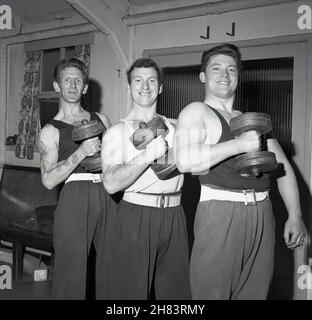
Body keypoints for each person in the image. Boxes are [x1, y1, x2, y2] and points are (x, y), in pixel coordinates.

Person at [174, 43, 308, 300]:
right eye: (216, 68)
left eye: (231, 69)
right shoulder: (197, 112)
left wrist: (295, 214)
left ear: (238, 76)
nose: (224, 74)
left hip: (263, 213)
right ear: (203, 76)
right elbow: (184, 160)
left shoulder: (251, 121)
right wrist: (238, 144)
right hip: (221, 213)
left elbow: (283, 169)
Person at [100, 58, 191, 300]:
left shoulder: (178, 127)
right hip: (136, 215)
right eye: (138, 81)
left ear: (160, 87)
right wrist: (147, 155)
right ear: (129, 87)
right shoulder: (116, 132)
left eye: (152, 80)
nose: (145, 86)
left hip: (175, 215)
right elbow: (110, 184)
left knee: (177, 295)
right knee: (129, 295)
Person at [38, 58, 113, 299]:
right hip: (74, 197)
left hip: (108, 193)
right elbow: (48, 180)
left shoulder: (102, 119)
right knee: (71, 276)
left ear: (85, 87)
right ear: (57, 86)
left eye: (77, 80)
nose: (72, 85)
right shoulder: (50, 131)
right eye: (66, 80)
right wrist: (81, 152)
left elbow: (116, 160)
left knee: (113, 268)